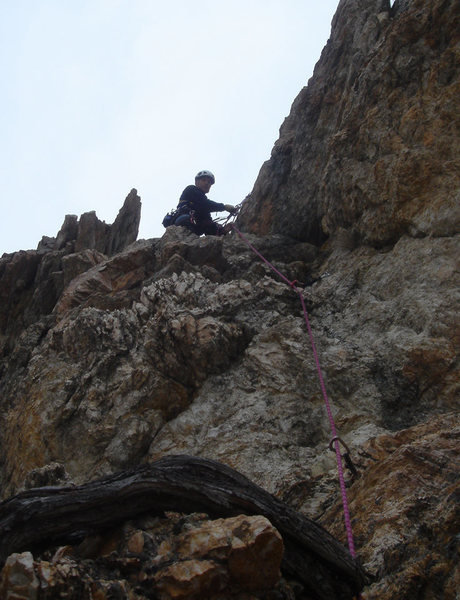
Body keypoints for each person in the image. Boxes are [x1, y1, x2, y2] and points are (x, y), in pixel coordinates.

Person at [174, 170, 236, 236]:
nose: (207, 183)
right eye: (204, 180)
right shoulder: (191, 189)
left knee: (208, 223)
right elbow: (205, 204)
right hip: (184, 220)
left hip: (193, 224)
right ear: (196, 182)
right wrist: (224, 207)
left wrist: (221, 230)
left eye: (209, 182)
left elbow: (208, 221)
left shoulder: (203, 209)